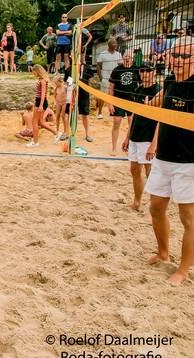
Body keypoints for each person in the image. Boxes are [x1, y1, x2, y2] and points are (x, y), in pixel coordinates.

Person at [144, 36, 194, 285]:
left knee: (188, 217)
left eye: (185, 56)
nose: (179, 60)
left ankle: (183, 270)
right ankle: (163, 252)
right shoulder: (171, 79)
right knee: (155, 207)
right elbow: (159, 108)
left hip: (189, 161)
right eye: (176, 55)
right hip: (164, 157)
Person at [122, 62, 160, 211]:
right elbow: (133, 116)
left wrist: (154, 144)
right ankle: (137, 202)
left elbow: (160, 120)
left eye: (148, 70)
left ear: (154, 72)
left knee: (150, 172)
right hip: (135, 137)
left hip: (148, 138)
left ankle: (154, 207)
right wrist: (127, 137)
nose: (145, 73)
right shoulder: (138, 89)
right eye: (142, 70)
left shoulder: (158, 91)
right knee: (134, 170)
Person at [108, 50, 140, 155]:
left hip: (132, 101)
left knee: (132, 125)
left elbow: (142, 84)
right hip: (118, 100)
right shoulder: (117, 70)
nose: (127, 58)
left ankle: (130, 147)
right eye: (125, 56)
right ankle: (113, 148)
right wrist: (110, 103)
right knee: (116, 122)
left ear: (132, 58)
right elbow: (111, 88)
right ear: (123, 58)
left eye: (129, 57)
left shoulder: (137, 69)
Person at [28, 64, 59, 147]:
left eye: (33, 72)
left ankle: (35, 141)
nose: (33, 73)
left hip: (40, 102)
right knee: (41, 122)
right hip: (39, 101)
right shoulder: (42, 80)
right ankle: (56, 133)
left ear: (37, 71)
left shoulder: (43, 81)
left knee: (34, 122)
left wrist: (41, 105)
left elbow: (43, 94)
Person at [96, 39, 122, 119]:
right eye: (113, 43)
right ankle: (100, 112)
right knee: (103, 96)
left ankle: (117, 112)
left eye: (116, 43)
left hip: (116, 80)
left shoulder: (118, 54)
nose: (115, 44)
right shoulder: (103, 54)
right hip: (106, 78)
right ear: (109, 44)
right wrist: (101, 77)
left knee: (117, 95)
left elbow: (120, 66)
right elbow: (98, 65)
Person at [53, 76, 68, 140]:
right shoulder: (56, 88)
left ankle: (65, 131)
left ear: (59, 81)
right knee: (57, 116)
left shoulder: (65, 87)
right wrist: (55, 102)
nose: (55, 84)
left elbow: (69, 95)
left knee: (63, 116)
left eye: (56, 82)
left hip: (64, 103)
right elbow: (55, 95)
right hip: (58, 102)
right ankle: (57, 130)